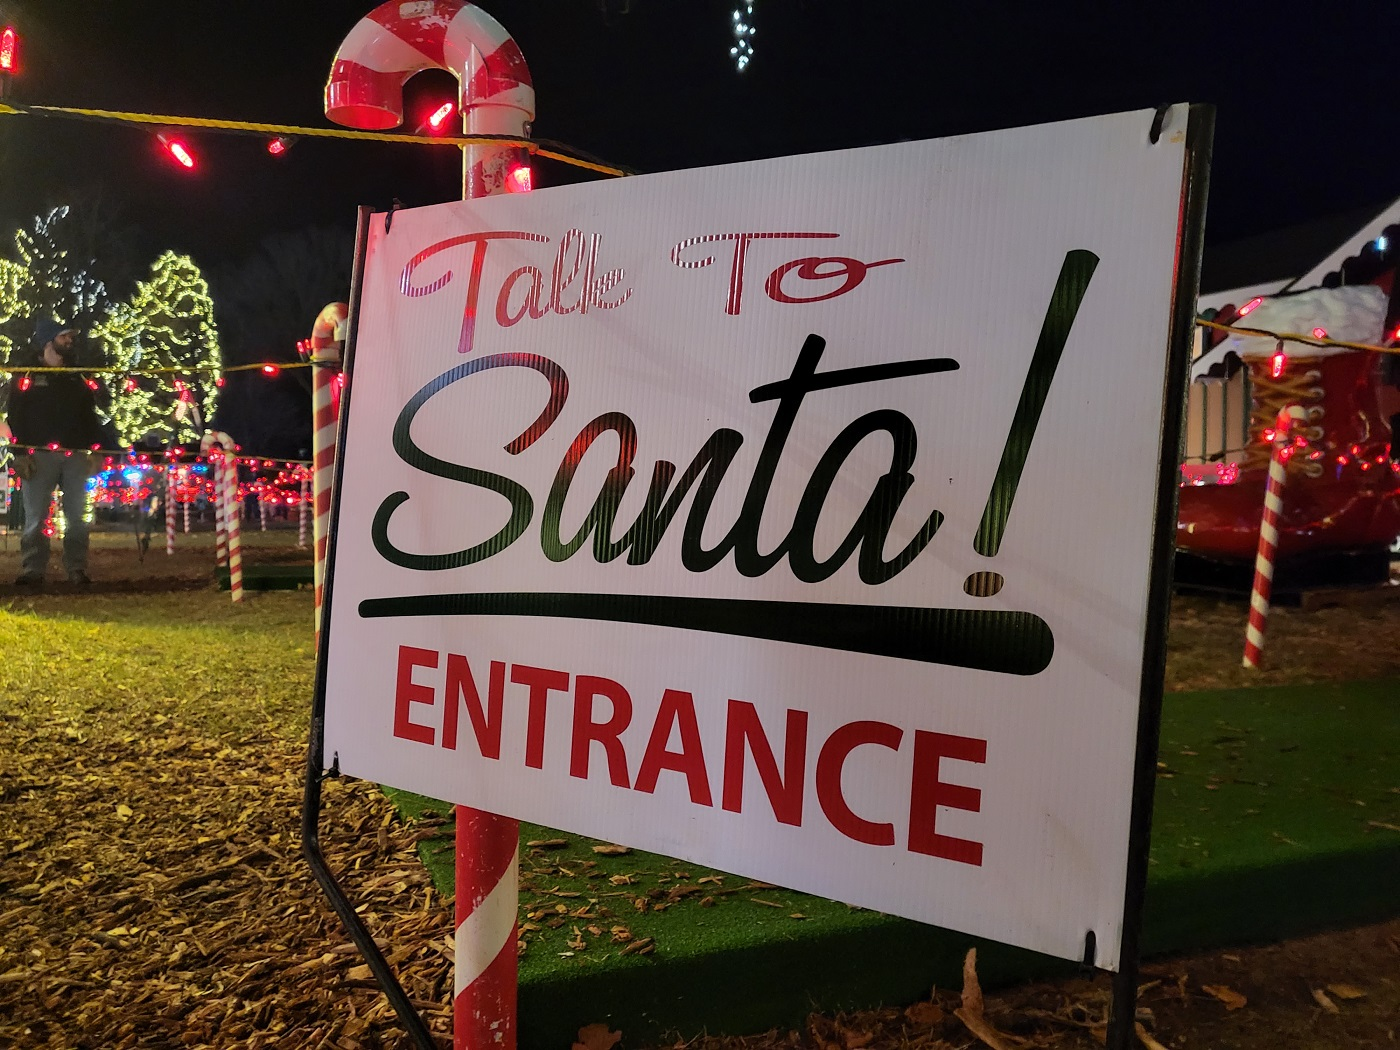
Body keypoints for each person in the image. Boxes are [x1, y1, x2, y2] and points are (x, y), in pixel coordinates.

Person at [0, 319, 107, 588]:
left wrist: (96, 451)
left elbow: (89, 417)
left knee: (77, 518)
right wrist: (19, 454)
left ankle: (77, 569)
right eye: (64, 337)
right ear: (48, 341)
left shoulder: (78, 376)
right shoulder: (27, 376)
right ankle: (33, 570)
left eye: (71, 337)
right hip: (38, 456)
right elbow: (15, 418)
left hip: (76, 455)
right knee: (36, 518)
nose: (70, 342)